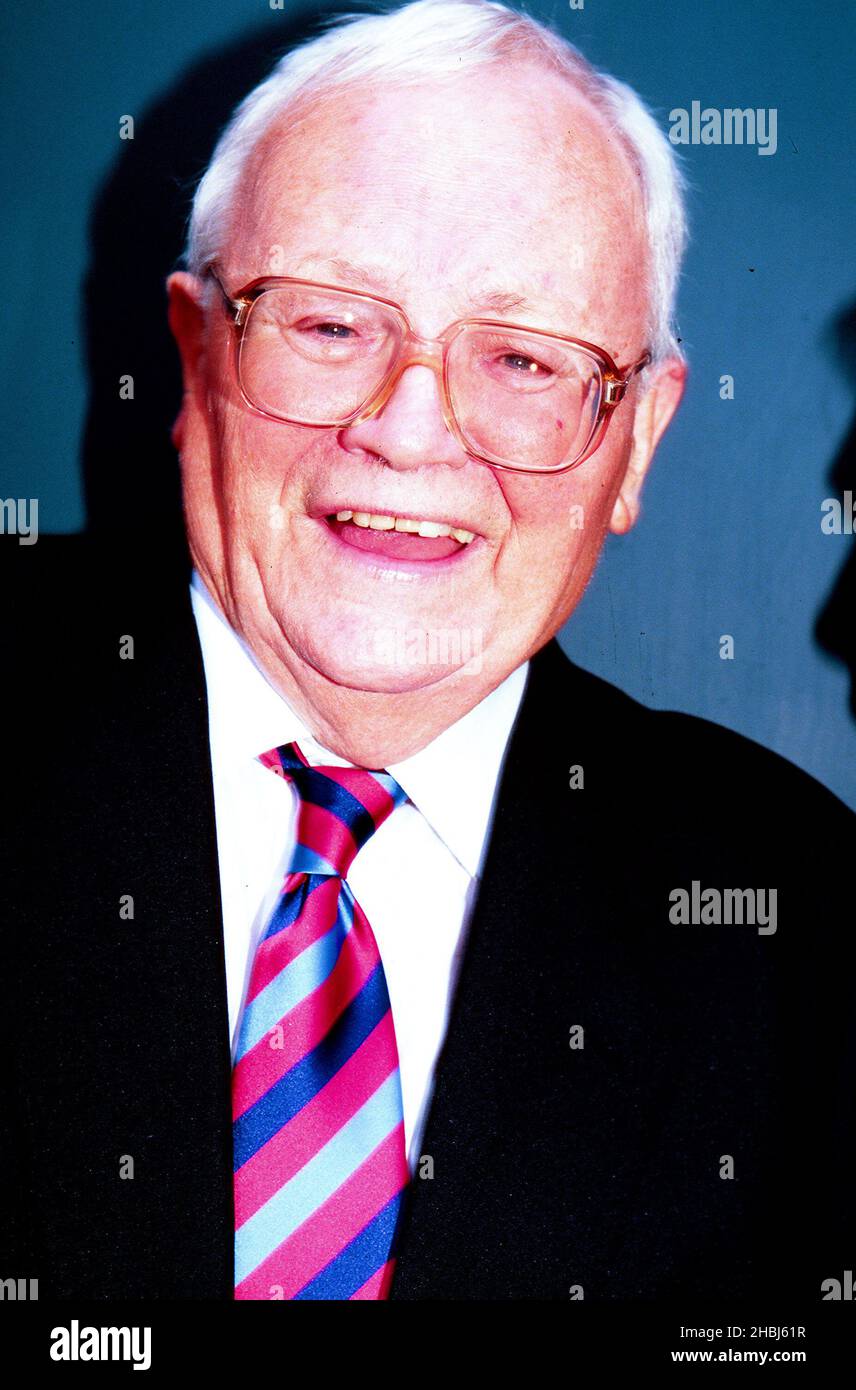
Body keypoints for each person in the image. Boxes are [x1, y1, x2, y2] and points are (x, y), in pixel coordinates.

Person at [3, 0, 853, 1301]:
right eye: (332, 325)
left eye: (520, 356)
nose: (408, 433)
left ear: (636, 441)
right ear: (193, 354)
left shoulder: (807, 921)